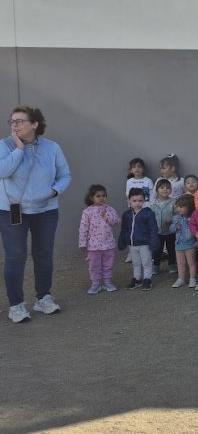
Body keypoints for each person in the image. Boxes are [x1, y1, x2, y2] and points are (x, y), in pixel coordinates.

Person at [0, 105, 71, 322]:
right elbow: (3, 171)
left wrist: (54, 191)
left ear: (35, 124)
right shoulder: (4, 146)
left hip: (45, 210)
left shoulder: (52, 147)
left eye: (20, 121)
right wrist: (19, 149)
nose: (15, 125)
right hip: (12, 210)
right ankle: (16, 305)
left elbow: (65, 175)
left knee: (43, 254)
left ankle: (43, 298)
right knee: (15, 257)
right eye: (12, 121)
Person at [78, 184, 120, 294]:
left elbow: (116, 222)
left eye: (104, 195)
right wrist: (83, 243)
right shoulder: (87, 212)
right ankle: (95, 283)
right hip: (93, 245)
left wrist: (107, 217)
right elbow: (83, 228)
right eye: (98, 196)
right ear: (92, 198)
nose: (102, 198)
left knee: (108, 264)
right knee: (94, 265)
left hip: (108, 244)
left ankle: (107, 281)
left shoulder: (109, 209)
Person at [118, 188, 160, 291]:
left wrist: (154, 242)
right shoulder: (126, 215)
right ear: (129, 201)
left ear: (144, 200)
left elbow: (153, 229)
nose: (137, 203)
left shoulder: (148, 213)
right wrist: (122, 240)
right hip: (132, 244)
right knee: (136, 263)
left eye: (140, 200)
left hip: (144, 243)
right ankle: (136, 279)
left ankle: (147, 279)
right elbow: (124, 229)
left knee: (146, 262)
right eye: (134, 201)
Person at [149, 179, 176, 276]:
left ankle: (172, 265)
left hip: (171, 232)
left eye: (168, 188)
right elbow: (149, 218)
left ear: (171, 190)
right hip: (157, 232)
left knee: (172, 249)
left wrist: (172, 219)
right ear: (157, 190)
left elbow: (178, 215)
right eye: (162, 188)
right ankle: (155, 266)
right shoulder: (152, 205)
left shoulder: (173, 202)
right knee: (157, 250)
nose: (165, 190)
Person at [169, 195, 197, 288]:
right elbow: (171, 229)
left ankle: (192, 278)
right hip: (178, 244)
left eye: (181, 207)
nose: (178, 209)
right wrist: (175, 227)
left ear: (189, 207)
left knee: (191, 262)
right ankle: (181, 279)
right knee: (180, 263)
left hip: (190, 244)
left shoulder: (193, 217)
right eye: (177, 206)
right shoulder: (176, 218)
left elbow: (196, 229)